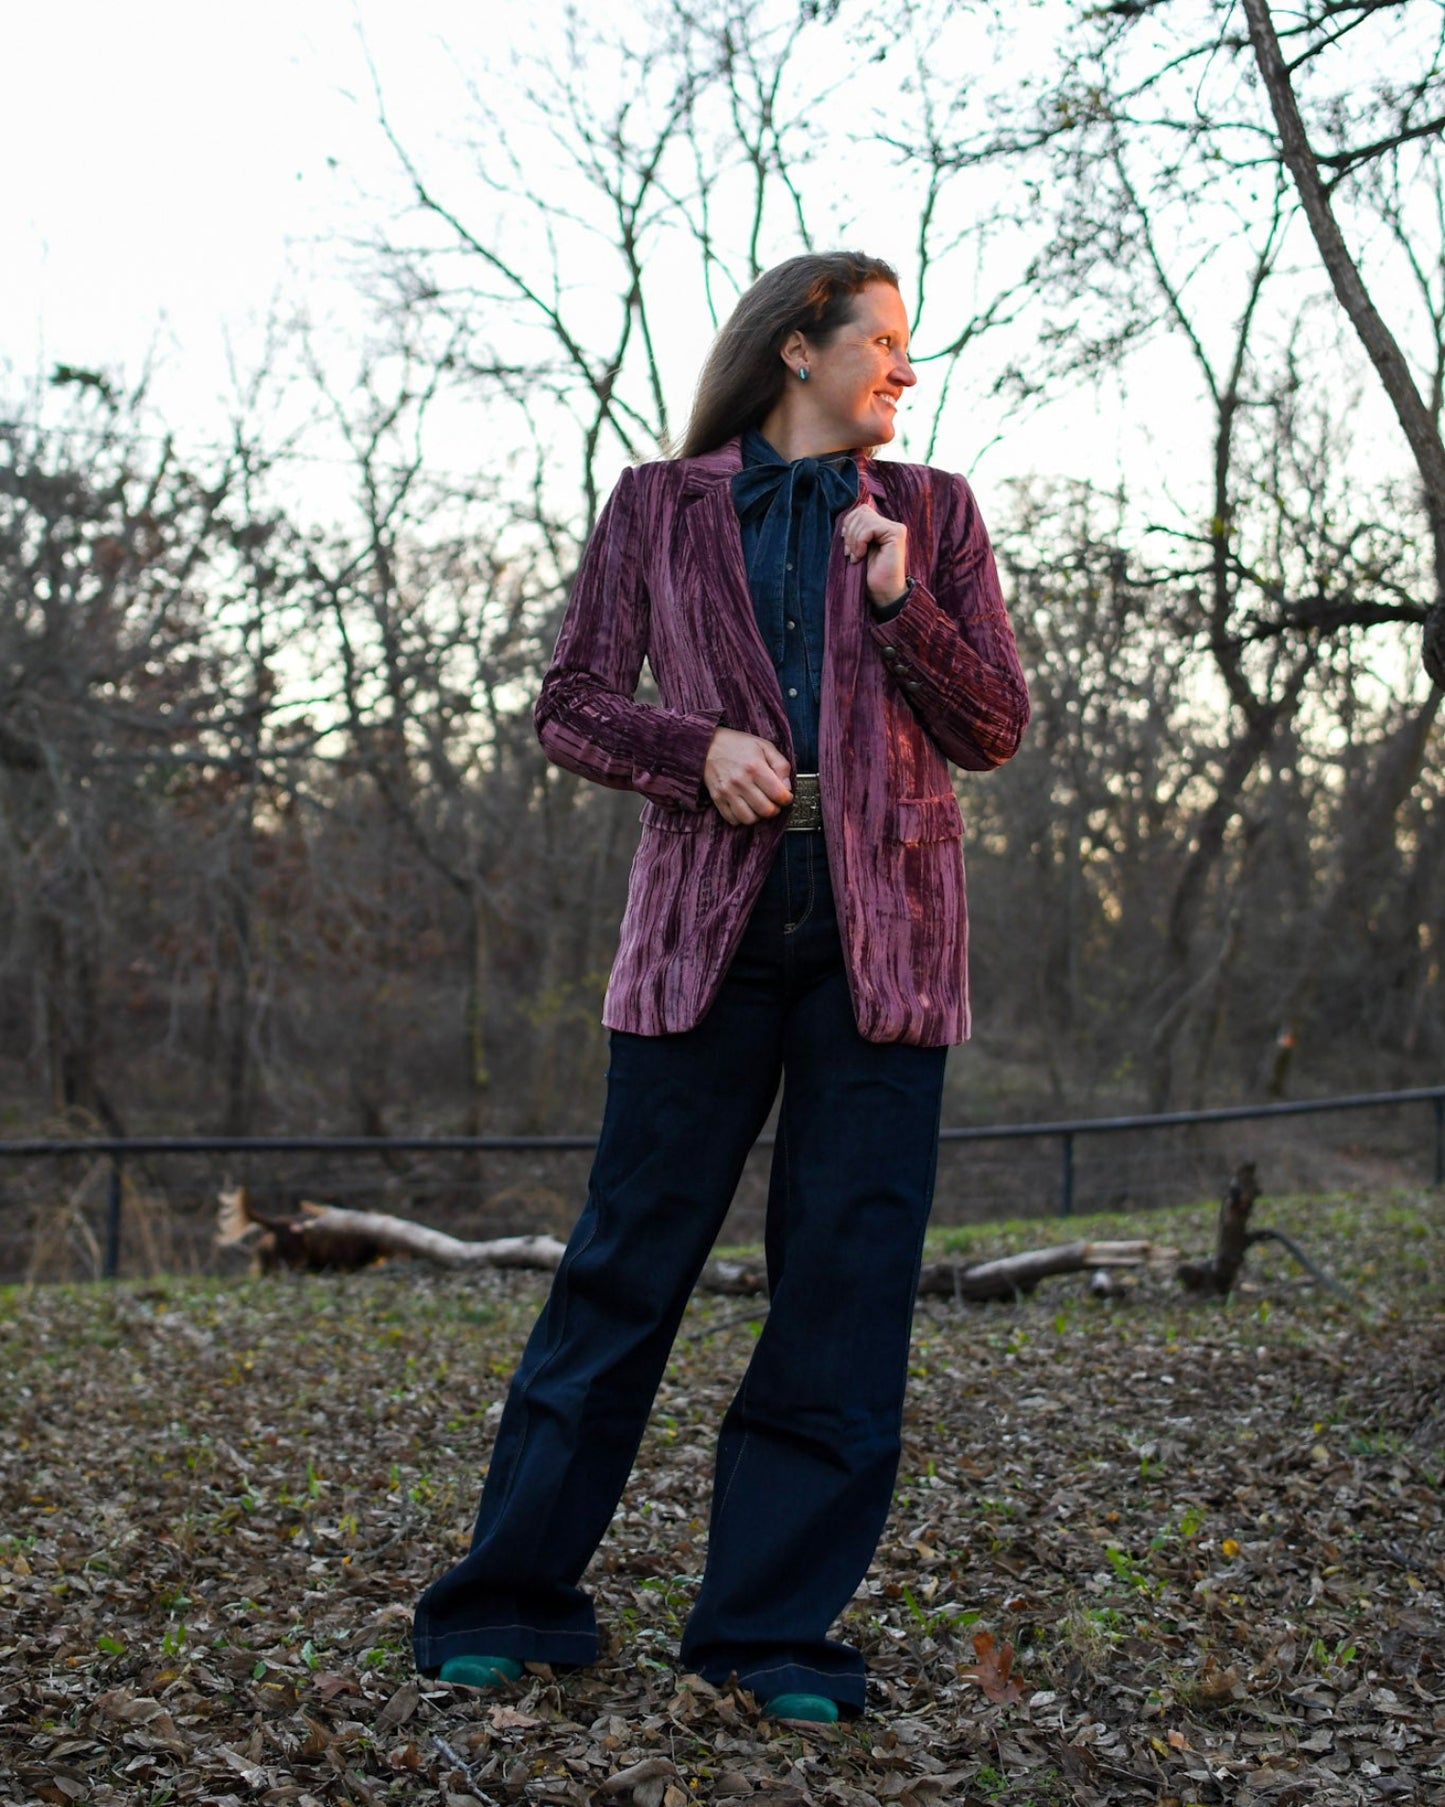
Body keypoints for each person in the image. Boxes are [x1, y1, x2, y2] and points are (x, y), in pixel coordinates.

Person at [412, 251, 1030, 1722]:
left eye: (905, 344)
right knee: (624, 1267)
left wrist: (896, 601)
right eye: (879, 338)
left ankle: (766, 1632)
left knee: (844, 1289)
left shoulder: (932, 513)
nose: (902, 366)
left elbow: (994, 722)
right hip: (704, 935)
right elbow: (569, 697)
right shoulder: (656, 503)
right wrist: (692, 751)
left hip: (885, 950)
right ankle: (510, 1600)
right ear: (796, 349)